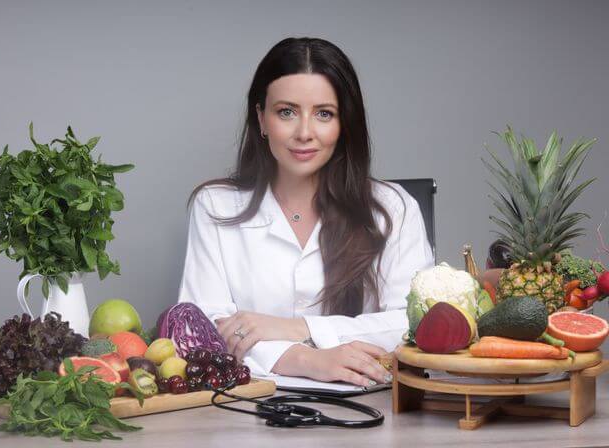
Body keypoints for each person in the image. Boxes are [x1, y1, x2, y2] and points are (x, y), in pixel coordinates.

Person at [177, 37, 434, 387]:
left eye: (324, 114)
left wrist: (298, 328)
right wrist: (304, 359)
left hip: (372, 411)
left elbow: (415, 324)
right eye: (287, 112)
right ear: (261, 119)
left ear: (345, 125)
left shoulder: (393, 207)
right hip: (245, 415)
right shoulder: (215, 205)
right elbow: (202, 329)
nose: (304, 133)